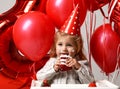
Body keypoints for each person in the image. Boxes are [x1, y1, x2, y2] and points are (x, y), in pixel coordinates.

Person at [31, 4, 95, 87]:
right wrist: (54, 68)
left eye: (69, 45)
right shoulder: (53, 62)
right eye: (60, 44)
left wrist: (78, 67)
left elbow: (90, 81)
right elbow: (39, 77)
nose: (64, 49)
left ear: (76, 48)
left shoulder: (81, 63)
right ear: (55, 46)